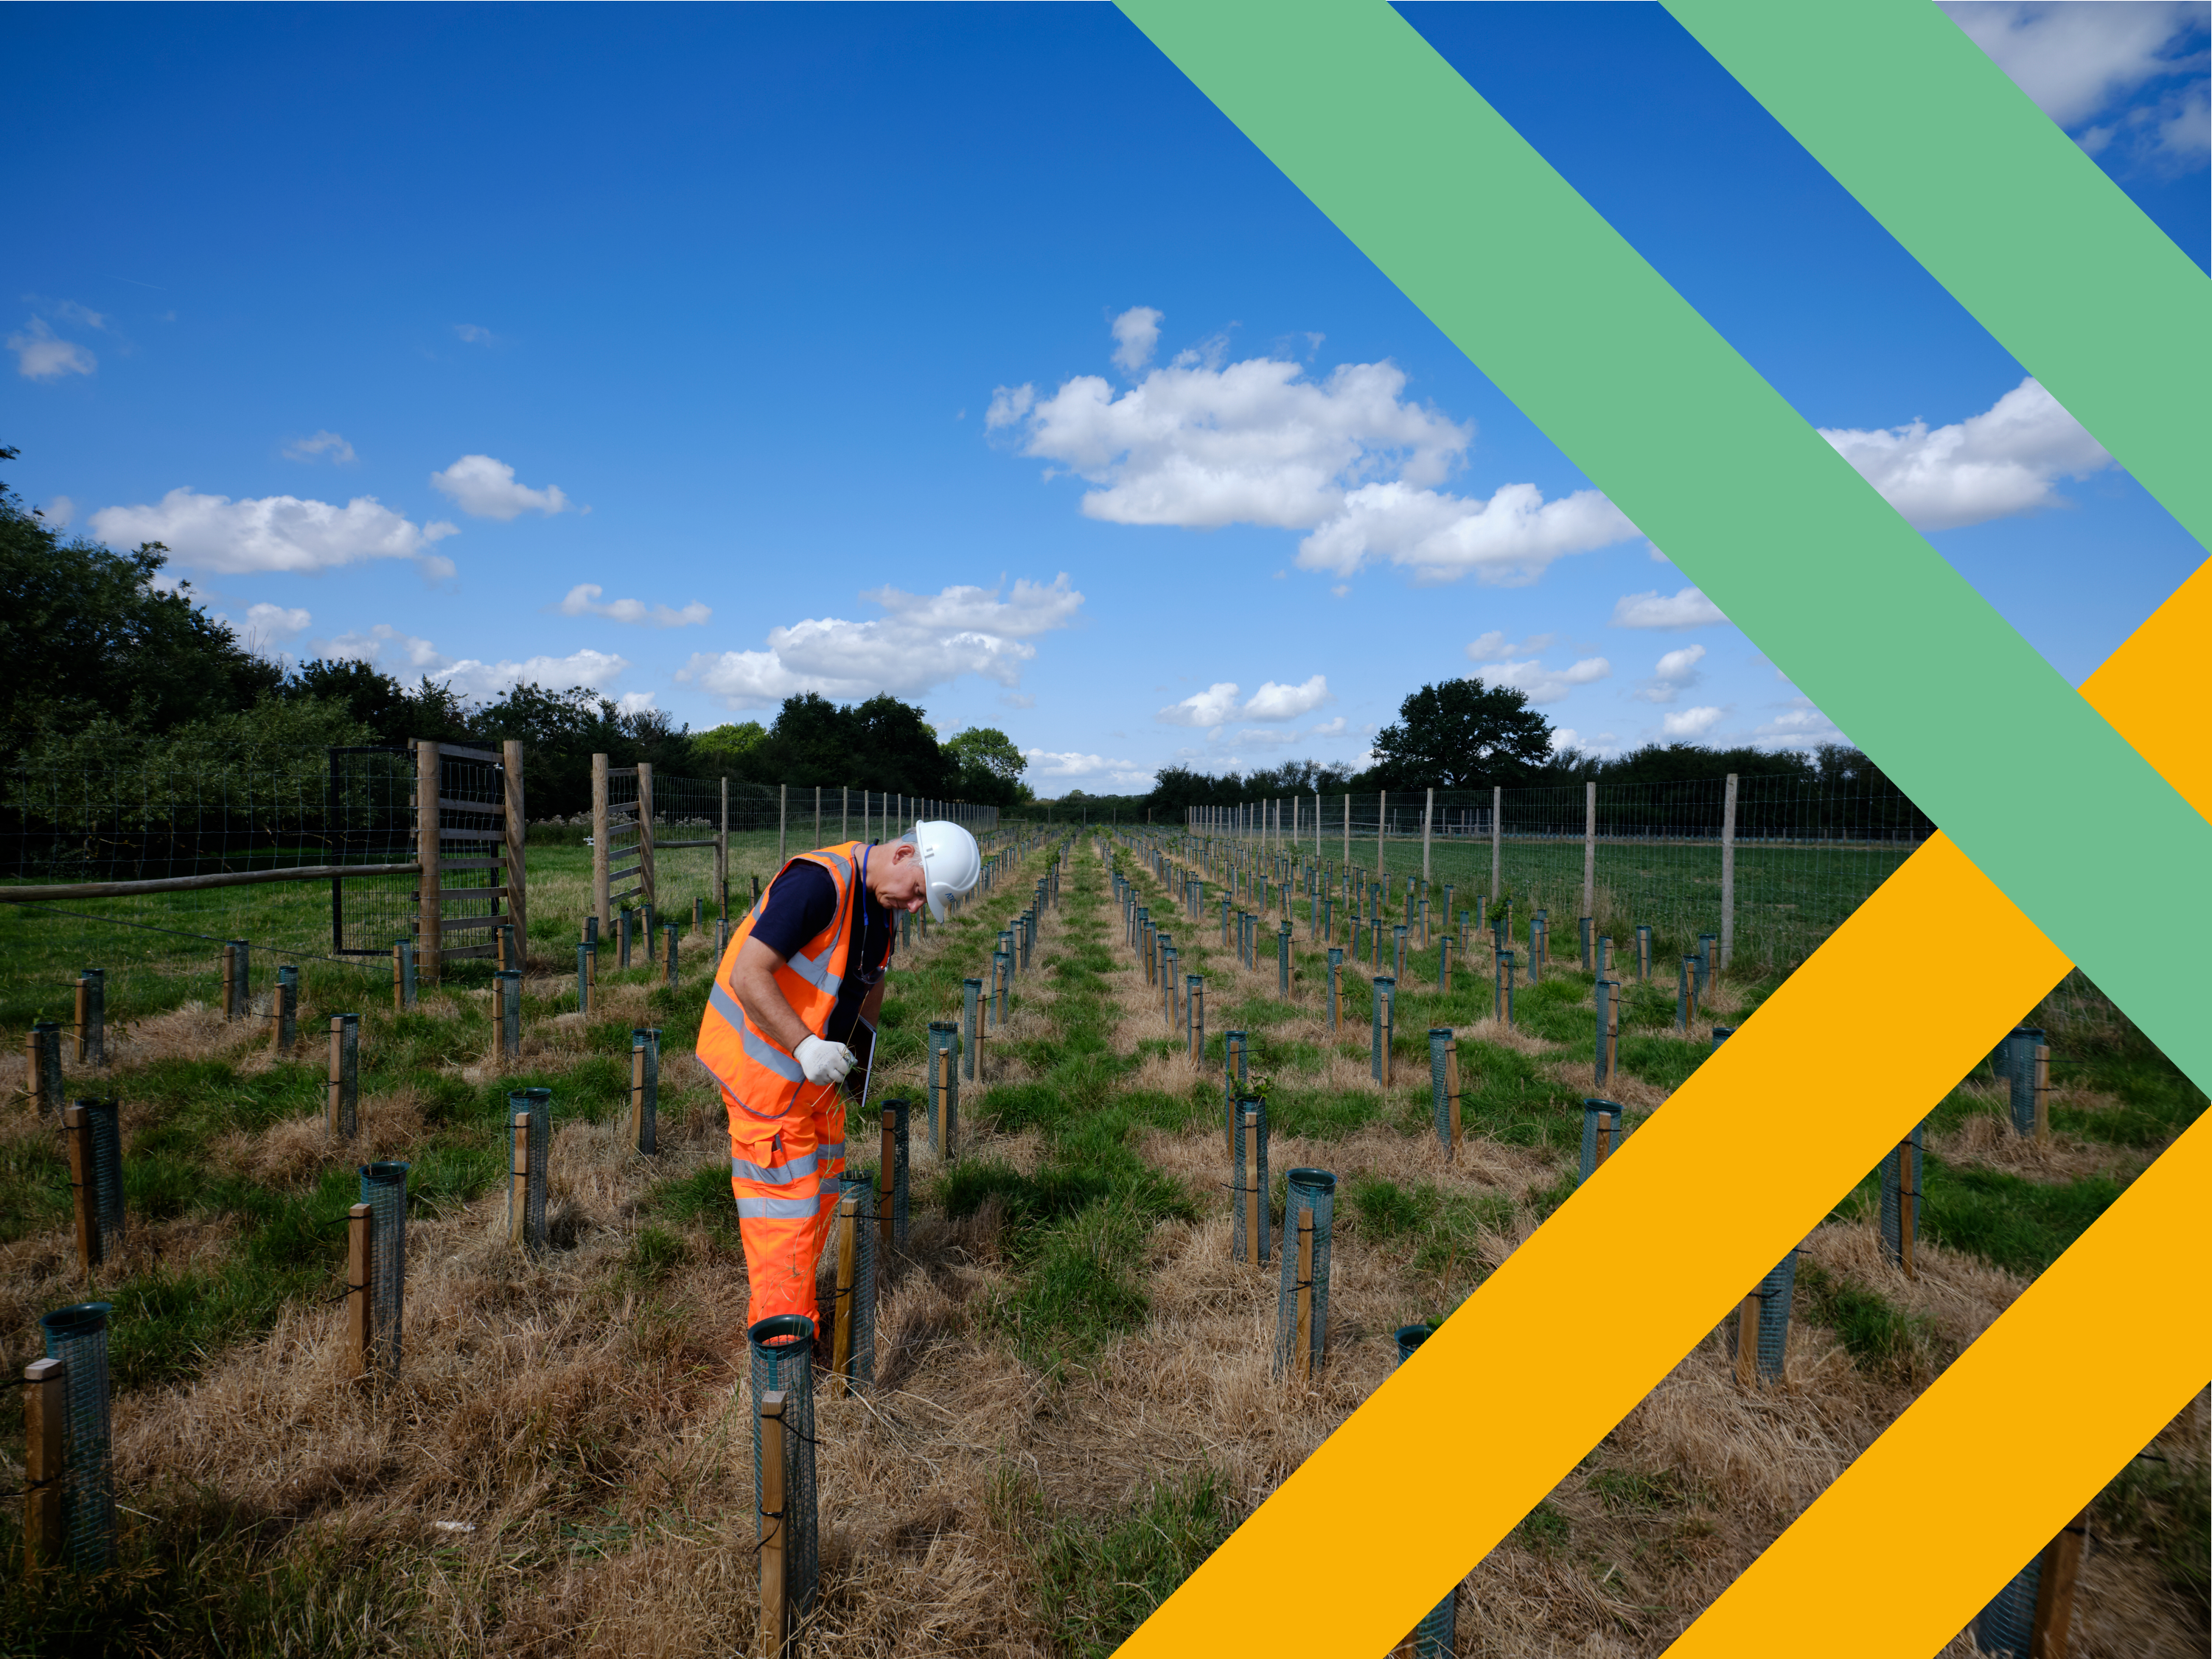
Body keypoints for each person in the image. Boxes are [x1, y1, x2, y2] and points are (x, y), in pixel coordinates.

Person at [695, 818, 982, 1333]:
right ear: (902, 855)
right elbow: (747, 973)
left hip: (810, 1080)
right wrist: (806, 1045)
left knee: (822, 1188)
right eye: (918, 892)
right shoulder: (818, 883)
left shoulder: (879, 903)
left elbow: (869, 980)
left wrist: (857, 1062)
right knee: (784, 1211)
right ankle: (782, 1342)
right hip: (763, 1070)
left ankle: (799, 1290)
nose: (916, 906)